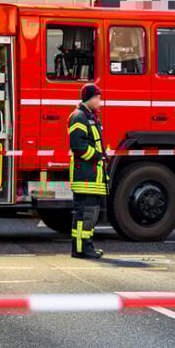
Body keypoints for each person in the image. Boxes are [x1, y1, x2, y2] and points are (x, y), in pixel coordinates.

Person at [68, 83, 108, 259]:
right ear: (90, 98)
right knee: (84, 214)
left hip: (92, 176)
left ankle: (87, 246)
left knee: (90, 214)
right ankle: (80, 249)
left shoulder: (89, 116)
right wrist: (97, 157)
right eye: (98, 97)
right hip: (85, 175)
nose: (100, 101)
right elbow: (78, 146)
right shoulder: (79, 117)